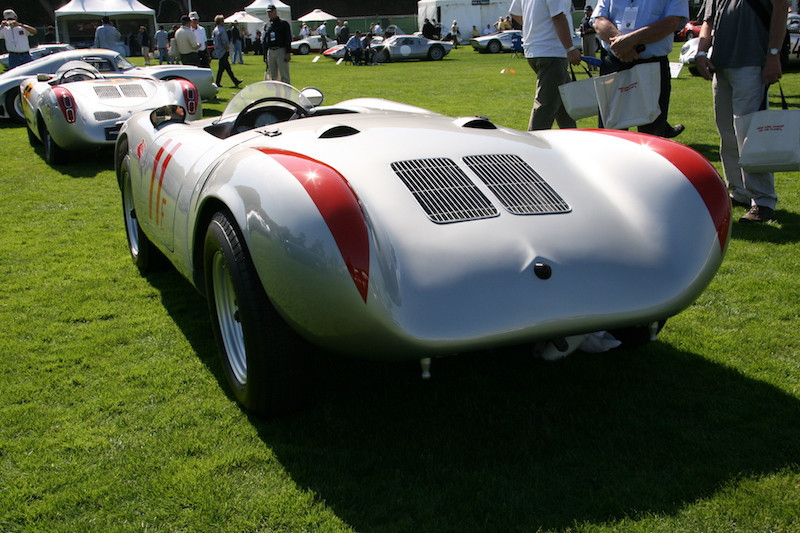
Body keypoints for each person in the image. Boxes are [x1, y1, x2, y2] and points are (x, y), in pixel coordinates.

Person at [694, 0, 787, 222]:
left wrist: (773, 54)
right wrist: (700, 53)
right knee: (727, 132)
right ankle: (739, 192)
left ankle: (763, 201)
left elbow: (781, 8)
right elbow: (708, 22)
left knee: (750, 134)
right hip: (721, 65)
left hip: (752, 63)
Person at [591, 0, 687, 138]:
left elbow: (672, 22)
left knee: (652, 137)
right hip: (614, 63)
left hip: (651, 65)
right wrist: (621, 43)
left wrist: (631, 41)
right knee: (611, 136)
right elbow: (599, 20)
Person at [510, 0, 582, 131]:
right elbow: (558, 17)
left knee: (564, 104)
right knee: (546, 107)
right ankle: (532, 147)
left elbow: (515, 13)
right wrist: (570, 48)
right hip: (552, 51)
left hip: (535, 49)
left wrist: (536, 30)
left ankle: (571, 141)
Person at [262, 4, 291, 83]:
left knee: (284, 75)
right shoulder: (267, 25)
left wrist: (288, 52)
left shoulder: (283, 23)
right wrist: (265, 55)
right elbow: (265, 40)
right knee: (273, 76)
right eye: (268, 12)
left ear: (275, 12)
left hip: (281, 49)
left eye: (271, 12)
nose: (269, 14)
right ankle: (276, 94)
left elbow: (288, 38)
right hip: (270, 51)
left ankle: (286, 94)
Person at [212, 15, 242, 88]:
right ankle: (218, 82)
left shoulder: (215, 30)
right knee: (223, 68)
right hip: (223, 51)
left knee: (226, 68)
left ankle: (234, 81)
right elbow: (224, 40)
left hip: (218, 50)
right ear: (221, 21)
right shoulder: (222, 30)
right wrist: (227, 48)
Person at [579, 5, 598, 70]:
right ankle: (589, 67)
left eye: (588, 11)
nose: (587, 13)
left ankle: (595, 67)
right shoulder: (583, 20)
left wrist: (590, 30)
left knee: (591, 52)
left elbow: (596, 28)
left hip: (591, 36)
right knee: (585, 52)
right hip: (584, 36)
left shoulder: (593, 20)